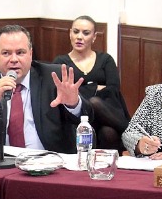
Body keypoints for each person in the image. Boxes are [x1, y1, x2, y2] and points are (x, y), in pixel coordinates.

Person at [0, 24, 93, 153]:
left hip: (50, 161)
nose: (14, 59)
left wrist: (73, 104)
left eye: (20, 53)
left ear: (30, 54)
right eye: (6, 53)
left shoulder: (54, 78)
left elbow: (88, 119)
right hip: (4, 162)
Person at [53, 15, 129, 150]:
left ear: (94, 37)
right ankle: (130, 131)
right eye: (76, 32)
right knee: (94, 101)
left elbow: (113, 89)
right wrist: (95, 88)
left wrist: (81, 90)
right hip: (78, 115)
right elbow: (63, 92)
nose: (79, 37)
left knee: (108, 132)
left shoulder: (105, 59)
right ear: (70, 33)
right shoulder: (61, 62)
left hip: (108, 114)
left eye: (86, 33)